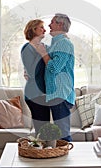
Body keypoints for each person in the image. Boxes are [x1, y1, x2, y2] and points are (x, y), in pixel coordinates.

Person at [36, 13, 75, 142]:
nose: (49, 25)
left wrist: (43, 53)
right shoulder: (55, 44)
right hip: (56, 94)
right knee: (60, 134)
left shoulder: (63, 43)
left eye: (52, 22)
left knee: (63, 134)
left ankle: (69, 161)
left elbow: (54, 68)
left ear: (60, 24)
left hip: (60, 94)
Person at [21, 19, 50, 135]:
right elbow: (32, 73)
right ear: (33, 30)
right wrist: (40, 54)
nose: (45, 30)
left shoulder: (44, 47)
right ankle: (40, 152)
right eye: (41, 27)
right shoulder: (27, 48)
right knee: (42, 129)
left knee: (46, 128)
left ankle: (44, 152)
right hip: (33, 94)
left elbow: (50, 65)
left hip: (44, 93)